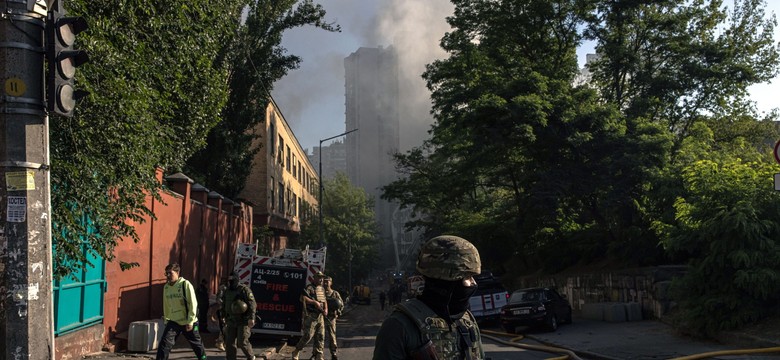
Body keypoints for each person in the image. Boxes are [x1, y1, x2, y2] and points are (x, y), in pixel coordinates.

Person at [373, 235, 485, 360]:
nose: (473, 283)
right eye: (468, 277)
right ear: (447, 280)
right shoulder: (399, 327)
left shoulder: (467, 321)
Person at [156, 263, 207, 360]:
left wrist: (190, 321)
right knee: (164, 344)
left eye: (170, 273)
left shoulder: (185, 284)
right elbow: (166, 304)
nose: (167, 276)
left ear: (177, 272)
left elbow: (193, 304)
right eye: (166, 273)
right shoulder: (166, 287)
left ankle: (203, 358)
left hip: (189, 321)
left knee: (197, 345)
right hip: (174, 322)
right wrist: (166, 320)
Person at [291, 272, 328, 360]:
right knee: (308, 336)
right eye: (319, 278)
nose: (321, 279)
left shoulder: (321, 289)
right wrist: (314, 302)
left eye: (322, 278)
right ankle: (296, 351)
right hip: (311, 316)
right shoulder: (309, 288)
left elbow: (324, 300)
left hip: (320, 316)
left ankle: (319, 355)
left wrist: (326, 309)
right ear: (314, 278)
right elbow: (302, 298)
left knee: (320, 336)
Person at [221, 271, 257, 360]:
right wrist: (223, 316)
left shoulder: (244, 290)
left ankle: (251, 356)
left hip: (243, 320)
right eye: (229, 280)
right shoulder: (227, 291)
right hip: (231, 320)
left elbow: (252, 304)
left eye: (232, 280)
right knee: (229, 342)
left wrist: (251, 318)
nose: (230, 282)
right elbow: (224, 304)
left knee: (242, 342)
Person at [317, 276, 344, 360]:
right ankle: (317, 353)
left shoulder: (335, 293)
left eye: (327, 281)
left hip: (331, 318)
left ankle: (333, 353)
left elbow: (341, 304)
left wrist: (338, 312)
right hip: (321, 317)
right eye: (324, 281)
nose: (325, 283)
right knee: (319, 336)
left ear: (331, 283)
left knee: (332, 336)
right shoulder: (320, 293)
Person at [215, 277, 228, 351]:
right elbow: (218, 299)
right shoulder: (223, 288)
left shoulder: (227, 288)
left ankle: (223, 343)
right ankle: (220, 342)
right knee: (224, 327)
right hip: (223, 310)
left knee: (226, 327)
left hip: (226, 310)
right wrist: (225, 304)